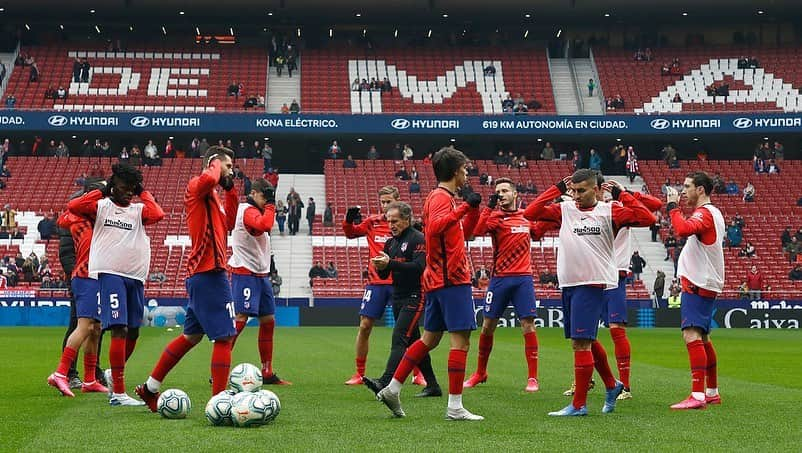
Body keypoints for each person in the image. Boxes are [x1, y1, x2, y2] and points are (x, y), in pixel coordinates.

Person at [524, 169, 656, 416]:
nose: (576, 195)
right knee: (586, 340)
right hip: (570, 283)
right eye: (573, 190)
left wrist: (621, 194)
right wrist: (557, 190)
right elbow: (530, 213)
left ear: (596, 190)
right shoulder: (565, 210)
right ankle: (611, 384)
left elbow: (647, 218)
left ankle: (579, 404)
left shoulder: (609, 211)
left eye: (582, 190)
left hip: (592, 282)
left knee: (580, 343)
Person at [375, 147, 483, 421]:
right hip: (451, 279)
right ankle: (455, 407)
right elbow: (434, 228)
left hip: (439, 279)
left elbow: (464, 233)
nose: (467, 172)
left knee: (429, 339)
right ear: (456, 171)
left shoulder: (445, 198)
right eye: (465, 168)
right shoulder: (439, 197)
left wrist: (472, 210)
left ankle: (393, 388)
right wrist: (463, 209)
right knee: (460, 342)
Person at [135, 146, 238, 411]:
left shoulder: (212, 197)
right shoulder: (197, 184)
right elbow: (208, 178)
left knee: (191, 337)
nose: (231, 170)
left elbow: (229, 224)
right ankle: (219, 401)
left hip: (204, 274)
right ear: (214, 163)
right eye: (228, 165)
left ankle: (150, 388)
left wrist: (231, 190)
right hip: (209, 274)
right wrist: (216, 167)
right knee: (225, 337)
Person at [68, 163, 165, 406]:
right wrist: (103, 190)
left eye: (132, 189)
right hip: (111, 275)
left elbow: (158, 214)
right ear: (114, 186)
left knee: (134, 330)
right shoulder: (101, 206)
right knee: (119, 328)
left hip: (135, 276)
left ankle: (113, 373)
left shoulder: (138, 209)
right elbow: (74, 206)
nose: (128, 193)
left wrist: (142, 192)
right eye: (124, 188)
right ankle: (118, 393)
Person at [463, 178, 554, 393]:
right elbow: (476, 230)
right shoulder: (495, 217)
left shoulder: (526, 216)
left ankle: (533, 378)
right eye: (498, 191)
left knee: (528, 325)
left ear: (515, 194)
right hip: (500, 279)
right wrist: (489, 207)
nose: (501, 194)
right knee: (487, 326)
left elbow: (538, 231)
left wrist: (555, 218)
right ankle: (480, 372)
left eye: (504, 191)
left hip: (523, 279)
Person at [362, 201, 442, 398]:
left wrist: (390, 264)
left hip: (415, 295)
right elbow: (385, 275)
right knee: (415, 340)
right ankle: (433, 386)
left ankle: (385, 381)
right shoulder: (391, 243)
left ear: (407, 219)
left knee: (399, 338)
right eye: (389, 221)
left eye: (395, 221)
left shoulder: (418, 239)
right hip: (397, 296)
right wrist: (381, 267)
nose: (391, 225)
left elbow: (418, 267)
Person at [342, 187, 420, 385]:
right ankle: (359, 373)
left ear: (397, 201)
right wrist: (348, 220)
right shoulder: (372, 222)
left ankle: (418, 374)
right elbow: (351, 234)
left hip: (400, 283)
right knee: (365, 325)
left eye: (389, 202)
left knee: (409, 332)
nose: (385, 206)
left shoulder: (405, 227)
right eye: (382, 202)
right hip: (376, 283)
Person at [665, 171, 725, 410]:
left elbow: (682, 229)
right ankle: (711, 392)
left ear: (701, 189)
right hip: (706, 281)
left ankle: (697, 395)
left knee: (691, 334)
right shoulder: (715, 213)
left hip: (699, 282)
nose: (683, 190)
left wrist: (672, 207)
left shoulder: (704, 213)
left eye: (688, 186)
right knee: (704, 337)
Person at [46, 186, 110, 397]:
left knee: (96, 328)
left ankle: (90, 379)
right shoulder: (79, 221)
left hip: (96, 277)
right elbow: (75, 205)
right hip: (85, 277)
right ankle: (61, 373)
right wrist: (102, 190)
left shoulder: (89, 220)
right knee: (83, 326)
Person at [226, 178, 291, 385]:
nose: (267, 201)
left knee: (268, 320)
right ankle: (219, 366)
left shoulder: (256, 209)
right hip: (245, 272)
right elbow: (265, 224)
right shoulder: (246, 210)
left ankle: (267, 372)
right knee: (240, 318)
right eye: (265, 197)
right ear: (254, 193)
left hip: (260, 274)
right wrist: (271, 206)